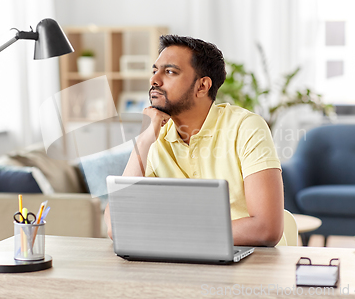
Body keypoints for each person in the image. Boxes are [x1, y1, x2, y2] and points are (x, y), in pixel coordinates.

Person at [104, 35, 284, 246]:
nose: (154, 80)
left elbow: (266, 229)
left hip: (249, 262)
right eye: (155, 71)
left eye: (170, 72)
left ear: (202, 86)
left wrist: (169, 235)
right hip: (182, 262)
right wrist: (143, 141)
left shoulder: (246, 127)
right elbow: (117, 225)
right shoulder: (154, 137)